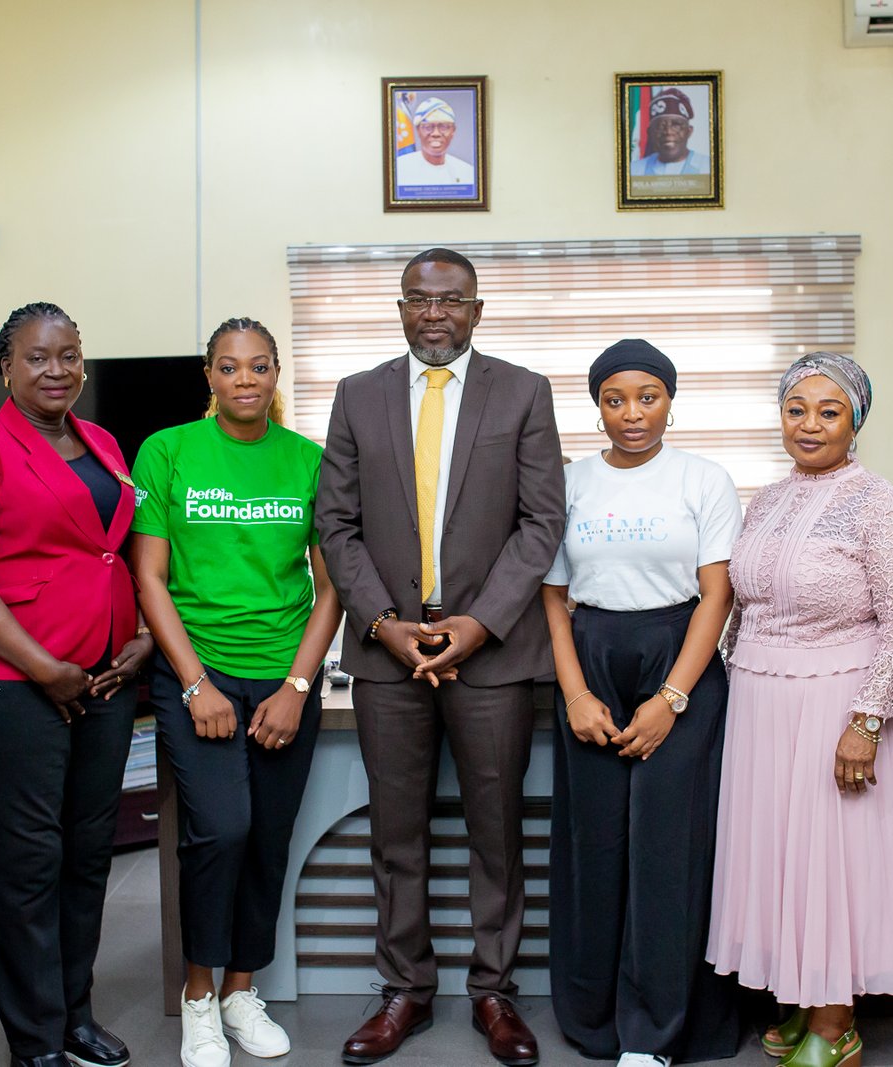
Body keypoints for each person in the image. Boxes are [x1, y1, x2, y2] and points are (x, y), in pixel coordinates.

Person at [317, 247, 566, 1066]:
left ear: (476, 310)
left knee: (497, 832)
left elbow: (541, 522)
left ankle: (494, 989)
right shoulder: (356, 396)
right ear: (400, 309)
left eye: (451, 300)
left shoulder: (522, 392)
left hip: (490, 655)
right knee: (397, 834)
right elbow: (336, 524)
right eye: (419, 300)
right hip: (387, 653)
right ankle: (406, 990)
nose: (434, 314)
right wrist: (383, 623)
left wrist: (480, 623)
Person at [708, 352, 893, 1066]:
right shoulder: (766, 500)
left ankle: (837, 1020)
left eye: (829, 411)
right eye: (796, 409)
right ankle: (802, 994)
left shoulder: (882, 504)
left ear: (855, 422)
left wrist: (866, 722)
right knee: (783, 856)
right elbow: (744, 608)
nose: (809, 425)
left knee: (836, 860)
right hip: (762, 703)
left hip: (839, 703)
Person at [0, 302, 154, 1067]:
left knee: (88, 856)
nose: (57, 369)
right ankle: (34, 1042)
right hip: (11, 686)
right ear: (5, 367)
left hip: (104, 681)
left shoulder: (102, 441)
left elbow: (117, 552)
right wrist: (45, 668)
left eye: (69, 355)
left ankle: (73, 1014)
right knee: (25, 867)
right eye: (37, 356)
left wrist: (142, 635)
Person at [131, 317, 343, 1067]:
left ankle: (240, 991)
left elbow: (330, 588)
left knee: (266, 839)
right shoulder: (168, 450)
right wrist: (195, 683)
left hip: (284, 678)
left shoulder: (309, 460)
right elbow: (149, 577)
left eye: (258, 366)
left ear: (277, 373)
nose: (245, 379)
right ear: (210, 377)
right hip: (200, 672)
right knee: (219, 830)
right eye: (229, 367)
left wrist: (297, 686)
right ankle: (198, 996)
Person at [543, 340, 742, 1067]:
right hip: (592, 657)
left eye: (648, 396)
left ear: (670, 401)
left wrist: (672, 698)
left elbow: (717, 595)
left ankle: (657, 1031)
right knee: (593, 846)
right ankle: (595, 1019)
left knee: (668, 849)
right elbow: (553, 597)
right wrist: (575, 693)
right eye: (615, 399)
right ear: (597, 407)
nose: (632, 413)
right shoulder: (569, 482)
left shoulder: (703, 479)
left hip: (678, 656)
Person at [394, 97, 475, 187]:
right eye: (428, 127)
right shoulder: (398, 169)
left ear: (453, 131)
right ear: (418, 131)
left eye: (444, 127)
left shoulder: (468, 173)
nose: (436, 133)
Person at [629, 88, 709, 176]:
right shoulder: (633, 170)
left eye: (676, 125)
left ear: (689, 131)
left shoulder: (708, 167)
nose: (668, 131)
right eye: (660, 126)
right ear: (650, 133)